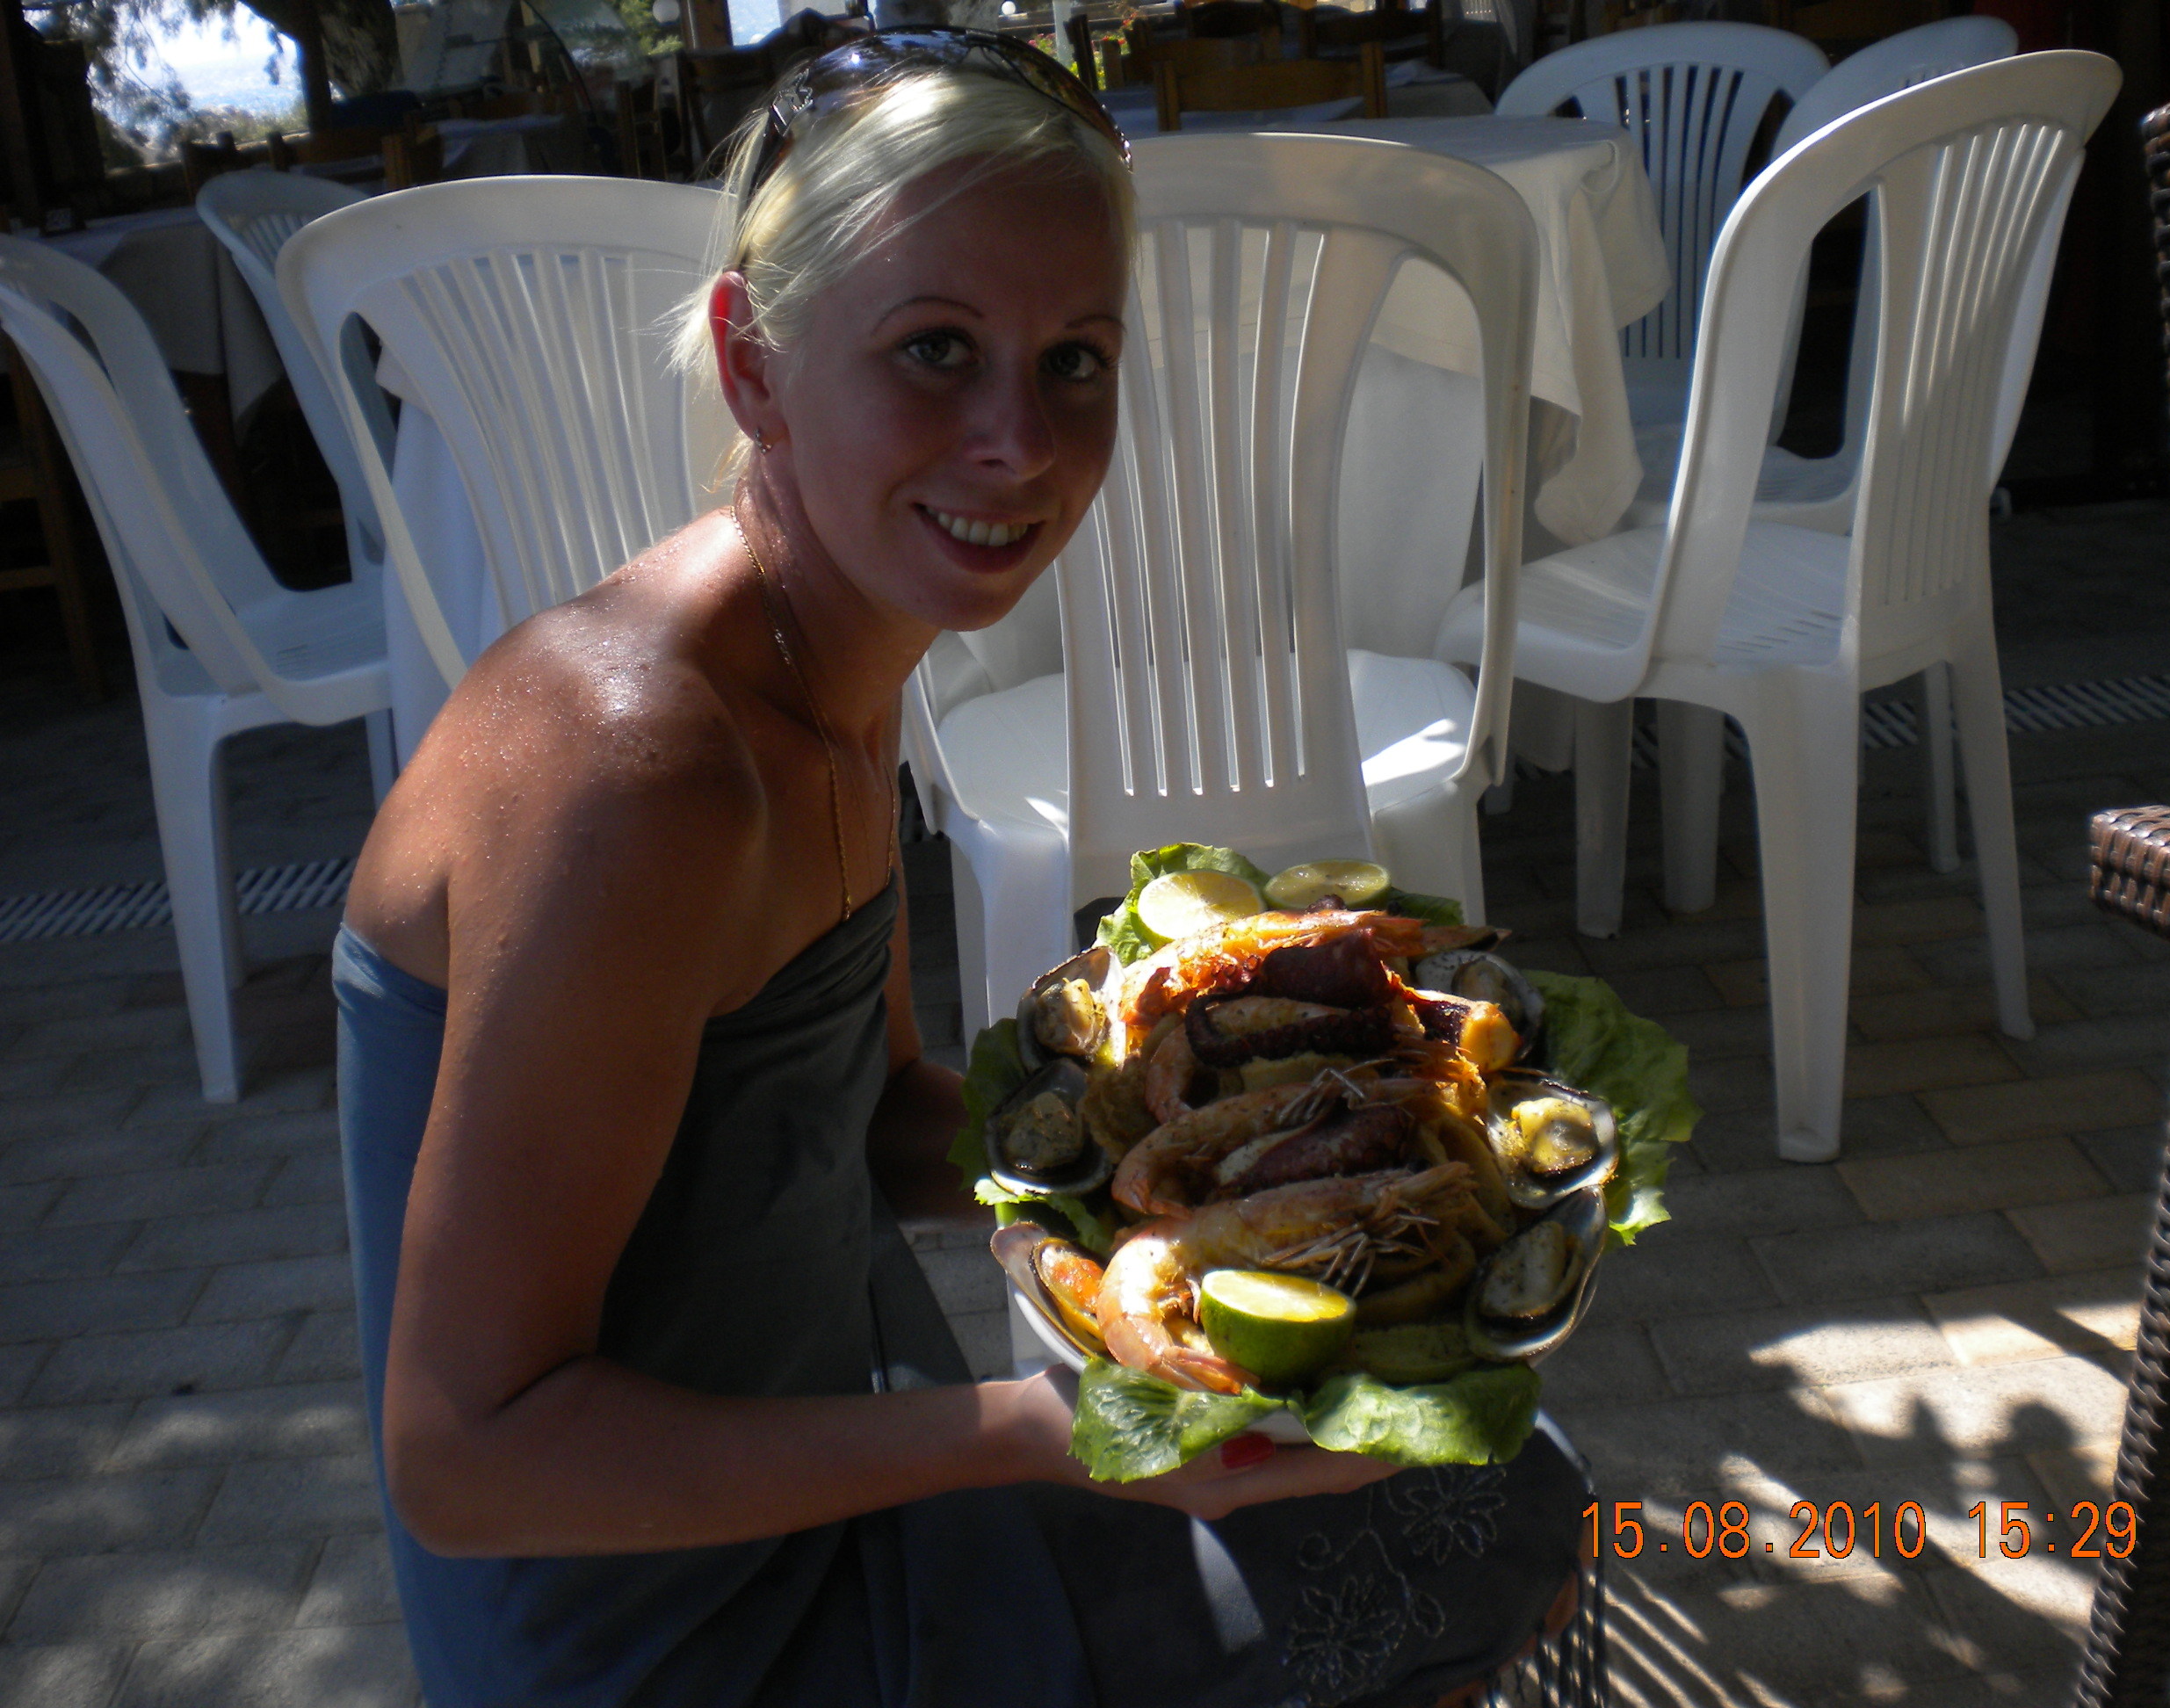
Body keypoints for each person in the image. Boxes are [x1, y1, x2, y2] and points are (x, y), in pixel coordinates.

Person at [333, 25, 1588, 1708]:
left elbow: (858, 1119)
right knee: (1474, 1531)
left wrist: (1264, 1162)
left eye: (1075, 359)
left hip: (817, 1456)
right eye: (935, 348)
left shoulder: (832, 658)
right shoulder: (639, 772)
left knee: (1481, 1457)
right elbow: (463, 1458)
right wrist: (1043, 1429)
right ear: (754, 363)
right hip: (665, 1635)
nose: (1019, 439)